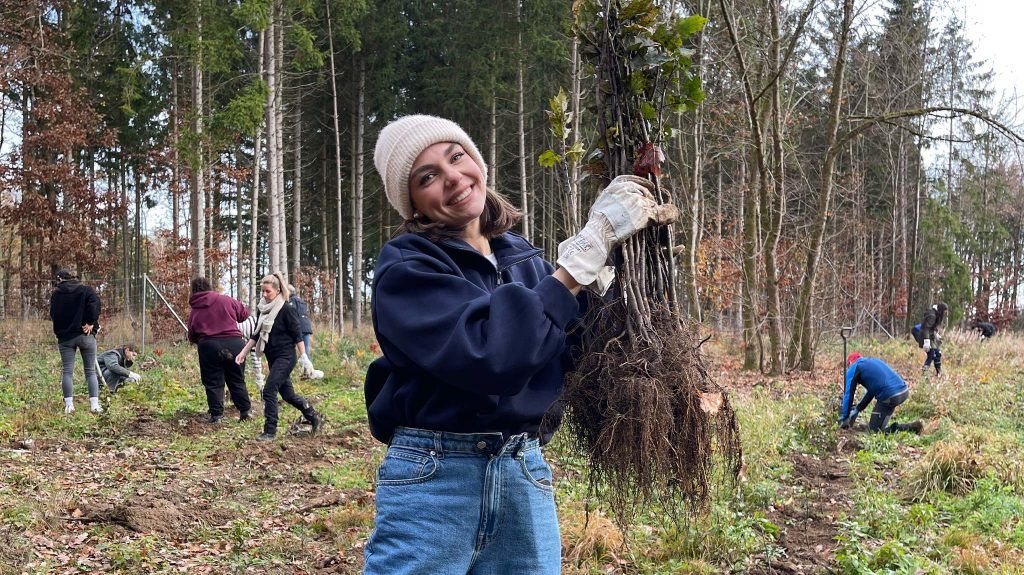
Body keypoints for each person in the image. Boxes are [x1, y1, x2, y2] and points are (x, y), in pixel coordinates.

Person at [361, 114, 674, 574]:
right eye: (426, 177)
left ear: (476, 160)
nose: (452, 178)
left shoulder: (522, 259)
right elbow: (494, 358)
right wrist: (579, 260)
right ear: (411, 203)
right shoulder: (406, 270)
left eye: (456, 157)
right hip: (435, 477)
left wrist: (624, 265)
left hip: (522, 470)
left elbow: (575, 353)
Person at [235, 272, 321, 441]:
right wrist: (243, 353)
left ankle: (270, 431)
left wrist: (304, 357)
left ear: (277, 290)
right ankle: (313, 416)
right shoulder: (263, 310)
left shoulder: (286, 309)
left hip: (286, 357)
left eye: (268, 291)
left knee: (268, 391)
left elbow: (298, 335)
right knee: (288, 395)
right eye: (263, 292)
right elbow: (256, 335)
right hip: (273, 358)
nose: (265, 295)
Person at [187, 277, 252, 423]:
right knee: (236, 378)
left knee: (212, 381)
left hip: (209, 346)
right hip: (234, 343)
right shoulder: (226, 300)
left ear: (193, 291)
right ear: (209, 287)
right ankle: (245, 411)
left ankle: (217, 415)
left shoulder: (195, 310)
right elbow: (244, 314)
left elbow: (191, 334)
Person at [49, 268, 103, 414]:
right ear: (73, 277)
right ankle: (94, 405)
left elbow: (53, 315)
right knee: (90, 371)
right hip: (86, 335)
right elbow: (96, 304)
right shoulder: (86, 290)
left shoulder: (56, 295)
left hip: (66, 338)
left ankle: (69, 406)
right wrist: (91, 323)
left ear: (60, 279)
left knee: (67, 371)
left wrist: (62, 331)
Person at [839, 353, 922, 434]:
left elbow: (849, 394)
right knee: (876, 426)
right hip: (903, 391)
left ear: (850, 362)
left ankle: (910, 427)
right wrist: (858, 409)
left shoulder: (854, 367)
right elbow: (871, 392)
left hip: (889, 396)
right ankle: (874, 425)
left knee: (873, 432)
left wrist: (845, 417)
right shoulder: (871, 362)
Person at [287, 284, 323, 380]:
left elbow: (292, 314)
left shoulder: (291, 301)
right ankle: (308, 372)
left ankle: (288, 372)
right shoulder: (301, 300)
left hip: (299, 327)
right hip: (306, 326)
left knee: (290, 350)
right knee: (305, 350)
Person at [912, 302, 947, 376]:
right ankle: (924, 374)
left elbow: (932, 328)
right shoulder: (932, 315)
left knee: (938, 353)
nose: (944, 314)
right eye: (944, 311)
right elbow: (926, 329)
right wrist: (926, 342)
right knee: (931, 354)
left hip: (929, 335)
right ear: (941, 310)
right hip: (922, 334)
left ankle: (939, 373)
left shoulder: (936, 314)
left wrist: (936, 335)